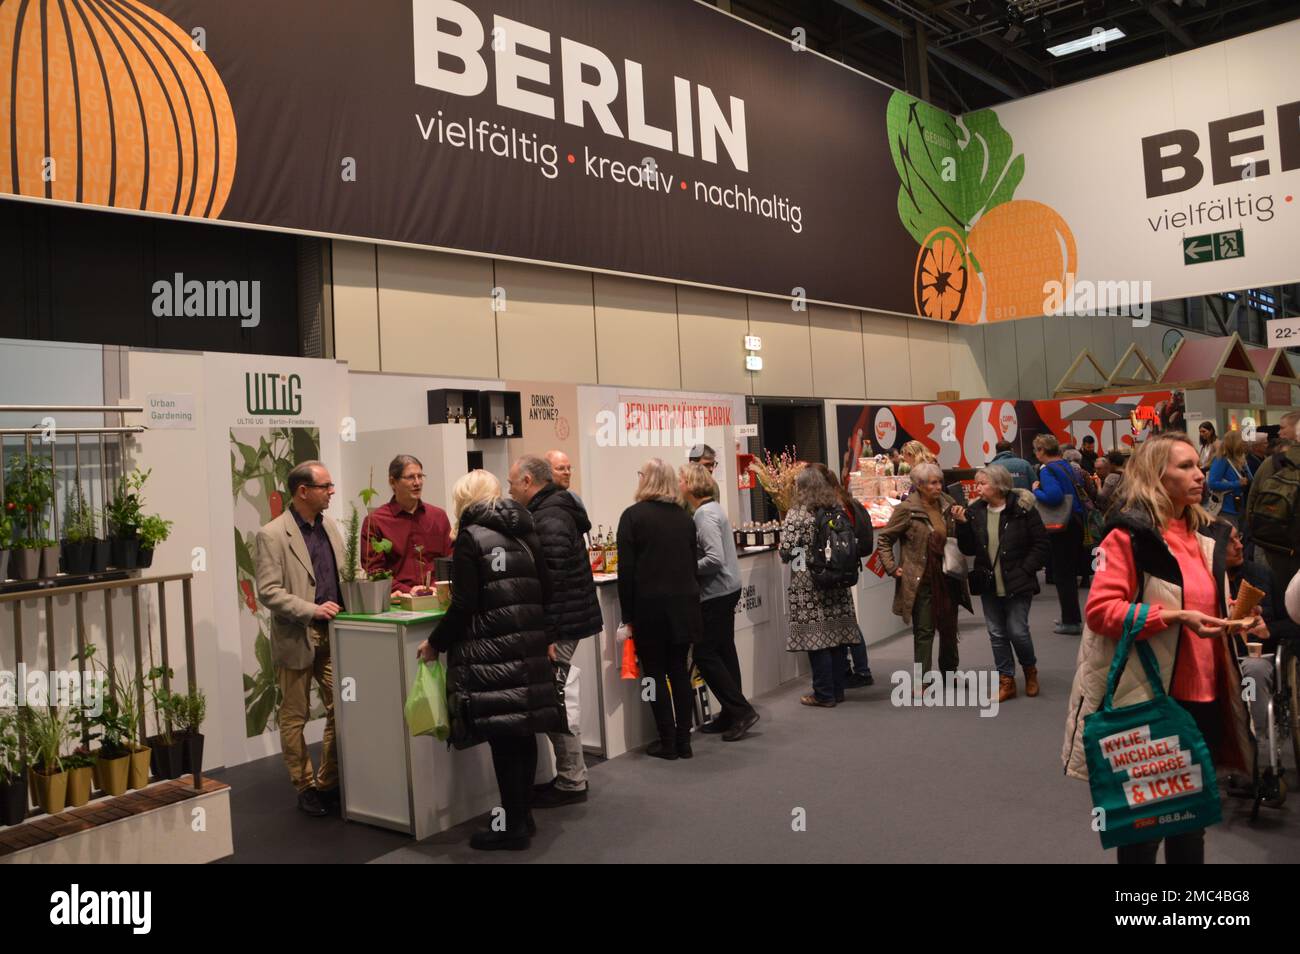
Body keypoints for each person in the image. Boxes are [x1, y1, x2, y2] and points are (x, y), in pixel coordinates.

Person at [1061, 433, 1255, 864]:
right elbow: (1101, 612)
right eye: (1184, 466)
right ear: (1155, 475)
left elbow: (1206, 605)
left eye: (1197, 465)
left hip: (1204, 698)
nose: (1199, 474)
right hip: (1149, 699)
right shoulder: (1129, 536)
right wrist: (1171, 617)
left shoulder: (1207, 534)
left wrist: (1238, 622)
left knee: (1190, 824)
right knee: (1144, 832)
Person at [416, 470, 563, 850]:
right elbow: (546, 589)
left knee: (503, 738)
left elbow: (464, 603)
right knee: (523, 732)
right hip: (526, 645)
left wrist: (435, 643)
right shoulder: (525, 529)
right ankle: (522, 816)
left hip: (492, 652)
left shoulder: (470, 537)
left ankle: (512, 827)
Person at [507, 454, 602, 808]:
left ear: (529, 481)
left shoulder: (549, 517)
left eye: (512, 482)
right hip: (565, 621)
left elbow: (553, 581)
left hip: (559, 625)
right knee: (554, 696)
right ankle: (571, 775)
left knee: (553, 698)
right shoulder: (555, 511)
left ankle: (572, 780)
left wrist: (546, 635)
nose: (510, 489)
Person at [253, 461, 346, 818]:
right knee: (295, 715)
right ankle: (304, 786)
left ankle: (328, 781)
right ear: (303, 491)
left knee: (343, 706)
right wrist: (311, 609)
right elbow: (269, 591)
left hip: (333, 633)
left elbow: (345, 574)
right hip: (297, 635)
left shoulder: (332, 528)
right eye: (326, 486)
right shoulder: (272, 534)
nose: (332, 491)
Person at [617, 458, 703, 759]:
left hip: (650, 609)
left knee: (652, 675)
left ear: (646, 480)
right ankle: (684, 740)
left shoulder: (632, 517)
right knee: (679, 671)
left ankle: (666, 739)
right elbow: (693, 565)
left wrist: (627, 616)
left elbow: (625, 571)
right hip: (684, 606)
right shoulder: (684, 517)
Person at [954, 464, 1049, 702]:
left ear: (999, 485)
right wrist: (962, 524)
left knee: (1018, 631)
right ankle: (1006, 680)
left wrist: (1026, 569)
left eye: (982, 483)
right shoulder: (975, 511)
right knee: (996, 633)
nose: (978, 488)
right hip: (988, 582)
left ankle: (1030, 670)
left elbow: (1041, 544)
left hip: (1018, 581)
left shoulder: (1023, 509)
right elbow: (967, 548)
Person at [680, 463, 760, 741]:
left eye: (681, 480)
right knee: (725, 652)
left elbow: (714, 559)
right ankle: (730, 712)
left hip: (716, 592)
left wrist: (687, 567)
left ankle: (740, 711)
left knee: (704, 654)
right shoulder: (713, 509)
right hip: (728, 588)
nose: (678, 484)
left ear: (690, 485)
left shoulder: (703, 515)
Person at [876, 462, 965, 684]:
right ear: (919, 485)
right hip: (920, 577)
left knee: (949, 628)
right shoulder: (906, 509)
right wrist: (891, 566)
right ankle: (922, 679)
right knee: (924, 630)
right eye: (933, 483)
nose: (938, 487)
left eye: (940, 482)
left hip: (948, 575)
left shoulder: (949, 503)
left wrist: (963, 521)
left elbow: (960, 538)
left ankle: (950, 672)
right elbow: (885, 538)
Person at [781, 467, 863, 706]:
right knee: (835, 637)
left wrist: (797, 555)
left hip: (809, 582)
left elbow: (788, 551)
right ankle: (837, 690)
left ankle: (823, 694)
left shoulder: (797, 515)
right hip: (836, 579)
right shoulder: (835, 509)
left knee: (816, 639)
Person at [1218, 523, 1299, 754]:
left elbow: (1293, 622)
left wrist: (1268, 630)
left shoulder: (1262, 574)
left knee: (1251, 674)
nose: (1240, 545)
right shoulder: (1205, 582)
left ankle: (1256, 742)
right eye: (1231, 542)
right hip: (1217, 656)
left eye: (1239, 538)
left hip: (1254, 659)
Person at [810, 462, 874, 687]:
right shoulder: (846, 499)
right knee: (847, 621)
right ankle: (854, 668)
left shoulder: (832, 506)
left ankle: (861, 670)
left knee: (846, 623)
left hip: (837, 566)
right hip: (848, 564)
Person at [361, 454, 453, 595]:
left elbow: (451, 559)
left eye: (420, 476)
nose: (417, 483)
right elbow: (375, 571)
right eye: (410, 477)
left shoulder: (438, 516)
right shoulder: (376, 521)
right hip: (399, 601)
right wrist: (408, 591)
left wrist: (434, 587)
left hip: (437, 597)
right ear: (393, 482)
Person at [1033, 433, 1089, 635]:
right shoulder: (1066, 465)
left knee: (1062, 574)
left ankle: (1071, 621)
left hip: (1061, 526)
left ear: (1041, 451)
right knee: (1069, 572)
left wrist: (1035, 491)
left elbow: (1054, 497)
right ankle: (1070, 616)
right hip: (1076, 520)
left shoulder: (1047, 470)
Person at [1246, 410, 1300, 588]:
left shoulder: (1273, 462)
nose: (1278, 432)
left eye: (1283, 427)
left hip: (1275, 548)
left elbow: (1253, 501)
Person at [1206, 430, 1252, 530]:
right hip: (1226, 508)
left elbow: (1250, 479)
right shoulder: (1221, 460)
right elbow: (1212, 483)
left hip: (1239, 506)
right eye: (1242, 442)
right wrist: (1236, 483)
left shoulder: (1240, 460)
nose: (1245, 444)